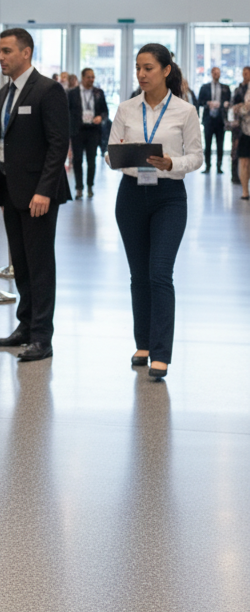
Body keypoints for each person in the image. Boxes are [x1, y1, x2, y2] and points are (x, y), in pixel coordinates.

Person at [0, 28, 71, 362]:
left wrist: (44, 190)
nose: (0, 57)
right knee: (21, 265)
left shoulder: (48, 90)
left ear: (26, 53)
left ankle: (42, 336)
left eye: (7, 51)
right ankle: (25, 327)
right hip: (11, 192)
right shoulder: (3, 94)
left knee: (40, 266)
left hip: (39, 195)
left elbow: (58, 145)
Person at [108, 44, 203, 381]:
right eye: (138, 68)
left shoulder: (184, 111)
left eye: (148, 68)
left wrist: (171, 163)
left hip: (168, 197)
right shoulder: (126, 108)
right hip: (131, 195)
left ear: (166, 70)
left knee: (159, 273)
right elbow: (111, 150)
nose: (142, 74)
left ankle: (161, 353)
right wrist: (118, 157)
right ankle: (144, 344)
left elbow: (197, 156)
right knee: (138, 274)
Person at [67, 67, 109, 200]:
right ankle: (79, 188)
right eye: (89, 77)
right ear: (82, 77)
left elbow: (105, 112)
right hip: (77, 131)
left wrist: (101, 118)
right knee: (77, 160)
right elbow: (67, 112)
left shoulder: (98, 93)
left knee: (92, 160)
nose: (91, 79)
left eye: (93, 77)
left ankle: (90, 186)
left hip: (93, 130)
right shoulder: (72, 93)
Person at [197, 66, 231, 174]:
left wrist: (222, 105)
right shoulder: (205, 87)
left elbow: (229, 102)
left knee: (220, 143)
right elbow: (199, 102)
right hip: (209, 119)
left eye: (218, 73)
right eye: (215, 73)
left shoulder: (225, 88)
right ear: (211, 74)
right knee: (207, 144)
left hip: (220, 120)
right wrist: (208, 103)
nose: (217, 75)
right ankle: (207, 166)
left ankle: (219, 166)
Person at [231, 66, 250, 186]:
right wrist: (240, 107)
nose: (245, 75)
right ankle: (235, 176)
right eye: (243, 73)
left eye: (247, 73)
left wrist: (242, 107)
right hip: (240, 128)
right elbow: (233, 106)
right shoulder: (238, 89)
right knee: (238, 153)